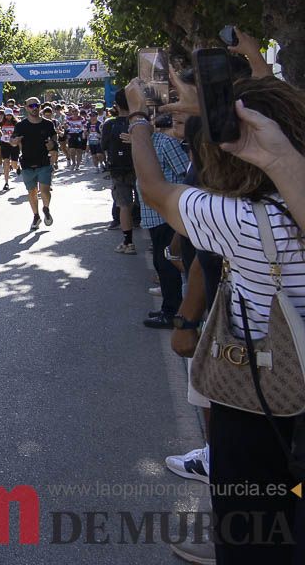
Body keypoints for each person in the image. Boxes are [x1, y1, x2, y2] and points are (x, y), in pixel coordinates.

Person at [124, 75, 305, 565]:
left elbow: (156, 191)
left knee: (252, 524)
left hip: (260, 395)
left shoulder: (241, 218)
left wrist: (139, 121)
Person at [136, 113, 189, 329]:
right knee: (160, 262)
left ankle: (172, 312)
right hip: (153, 214)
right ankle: (169, 307)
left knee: (167, 264)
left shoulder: (166, 143)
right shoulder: (145, 146)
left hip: (167, 214)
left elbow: (185, 173)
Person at [14, 97, 58, 232]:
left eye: (37, 105)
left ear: (40, 107)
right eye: (31, 106)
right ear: (26, 108)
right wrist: (14, 141)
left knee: (44, 191)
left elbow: (54, 140)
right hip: (27, 163)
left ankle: (46, 208)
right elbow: (12, 140)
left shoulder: (48, 124)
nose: (34, 108)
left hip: (44, 162)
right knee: (31, 192)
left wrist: (53, 146)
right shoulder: (21, 125)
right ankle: (36, 216)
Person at [101, 95, 138, 254]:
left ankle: (128, 243)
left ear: (117, 105)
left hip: (118, 169)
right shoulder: (140, 123)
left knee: (124, 205)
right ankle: (155, 242)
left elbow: (103, 146)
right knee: (149, 203)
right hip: (140, 167)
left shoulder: (109, 125)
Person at [0, 109, 19, 190]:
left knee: (14, 164)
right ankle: (6, 182)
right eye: (7, 115)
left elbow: (20, 134)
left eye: (10, 115)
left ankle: (18, 166)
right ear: (4, 116)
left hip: (14, 145)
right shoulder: (1, 124)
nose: (8, 117)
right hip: (5, 144)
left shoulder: (16, 123)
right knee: (6, 162)